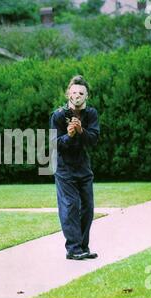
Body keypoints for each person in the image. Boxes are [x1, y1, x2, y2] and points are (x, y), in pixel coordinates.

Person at [50, 75, 100, 260]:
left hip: (83, 168)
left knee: (87, 208)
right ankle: (73, 249)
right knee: (71, 206)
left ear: (87, 95)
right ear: (68, 94)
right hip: (64, 169)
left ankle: (83, 247)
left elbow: (94, 139)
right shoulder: (58, 115)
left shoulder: (91, 114)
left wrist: (81, 131)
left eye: (81, 93)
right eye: (74, 92)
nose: (77, 96)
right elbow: (54, 144)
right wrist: (69, 136)